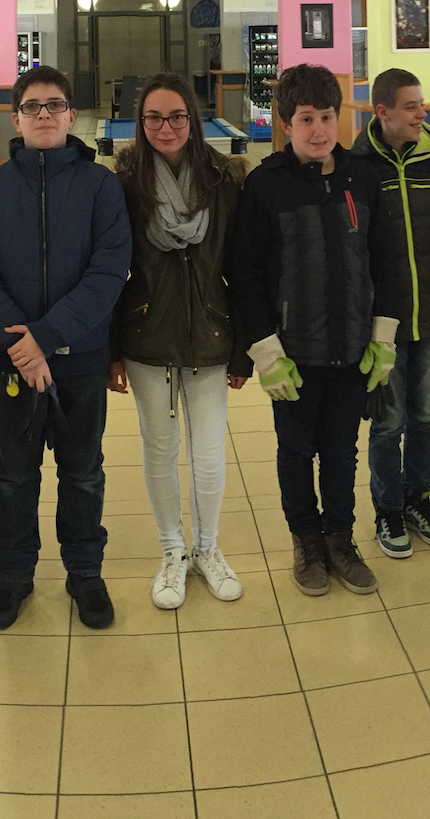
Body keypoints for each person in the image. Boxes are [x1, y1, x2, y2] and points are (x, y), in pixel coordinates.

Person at [0, 67, 132, 630]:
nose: (43, 114)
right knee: (14, 473)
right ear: (15, 119)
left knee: (83, 472)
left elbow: (108, 272)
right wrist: (22, 345)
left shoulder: (100, 185)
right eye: (32, 107)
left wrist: (48, 336)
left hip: (80, 359)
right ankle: (12, 574)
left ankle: (85, 571)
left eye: (54, 105)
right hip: (11, 362)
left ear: (71, 116)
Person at [228, 64, 402, 597]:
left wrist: (383, 337)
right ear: (285, 124)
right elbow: (244, 273)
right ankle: (306, 540)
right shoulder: (265, 186)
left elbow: (387, 261)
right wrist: (265, 353)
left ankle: (339, 539)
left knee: (342, 451)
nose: (319, 130)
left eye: (327, 117)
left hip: (352, 351)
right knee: (296, 451)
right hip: (294, 356)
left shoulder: (363, 179)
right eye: (306, 119)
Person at [107, 73, 250, 609]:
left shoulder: (225, 180)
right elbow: (109, 273)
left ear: (193, 118)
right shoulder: (123, 185)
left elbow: (242, 270)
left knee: (209, 454)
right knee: (160, 449)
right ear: (140, 122)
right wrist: (112, 351)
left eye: (176, 117)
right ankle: (173, 551)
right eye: (153, 118)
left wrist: (243, 350)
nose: (165, 128)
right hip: (146, 335)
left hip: (211, 334)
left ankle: (207, 549)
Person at [350, 68, 430, 558]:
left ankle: (418, 499)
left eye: (422, 104)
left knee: (425, 418)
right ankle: (388, 509)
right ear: (383, 112)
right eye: (411, 106)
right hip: (381, 326)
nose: (422, 113)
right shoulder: (358, 170)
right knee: (388, 423)